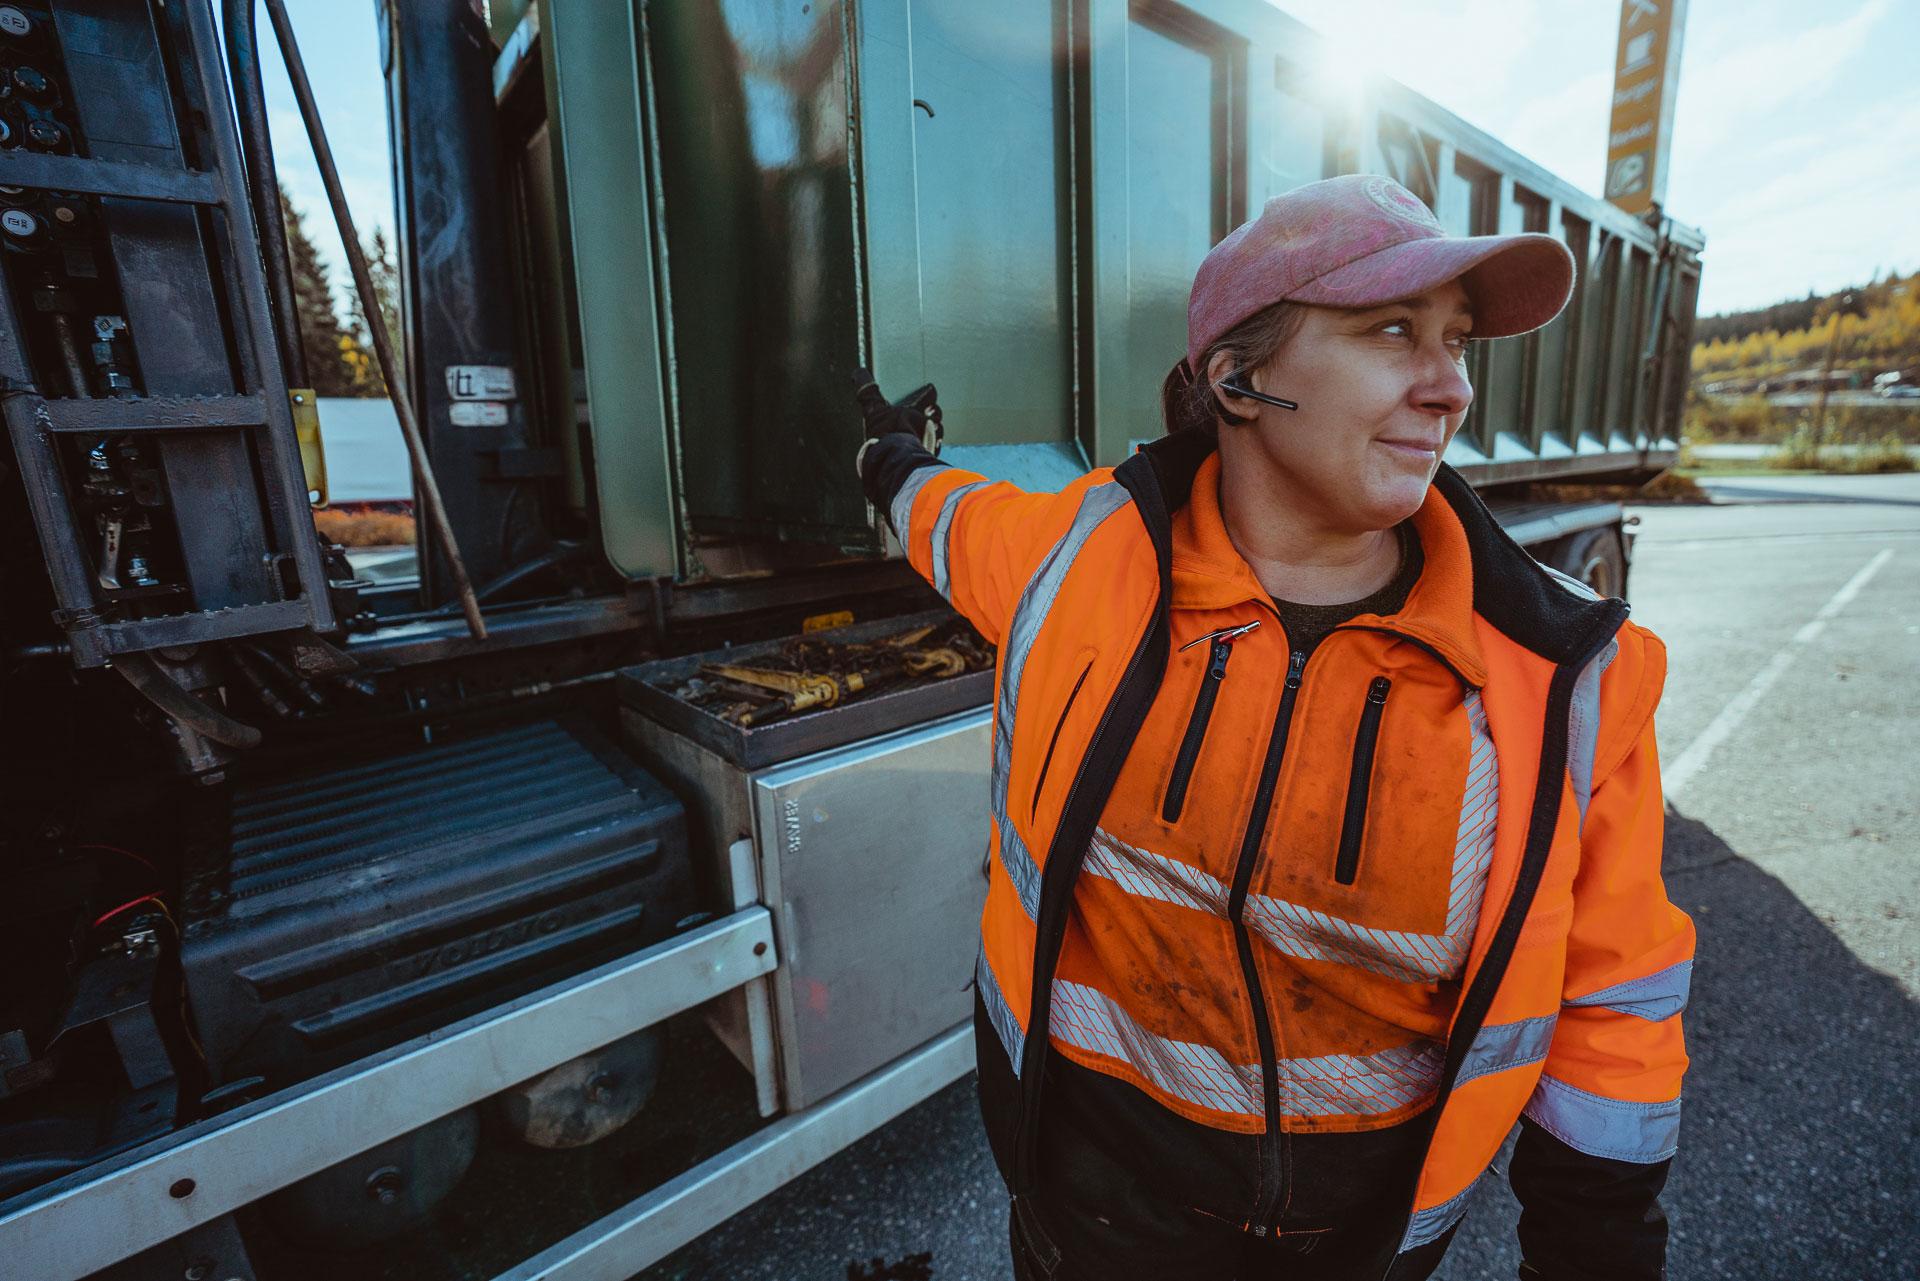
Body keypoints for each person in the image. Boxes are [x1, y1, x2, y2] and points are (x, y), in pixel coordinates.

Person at [852, 174, 1692, 1281]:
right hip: (1078, 1231)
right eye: (1395, 331)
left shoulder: (1568, 679)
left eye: (1458, 343)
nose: (1450, 390)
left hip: (1356, 1255)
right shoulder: (1081, 567)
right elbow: (954, 520)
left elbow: (1608, 1012)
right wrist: (887, 462)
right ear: (1239, 380)